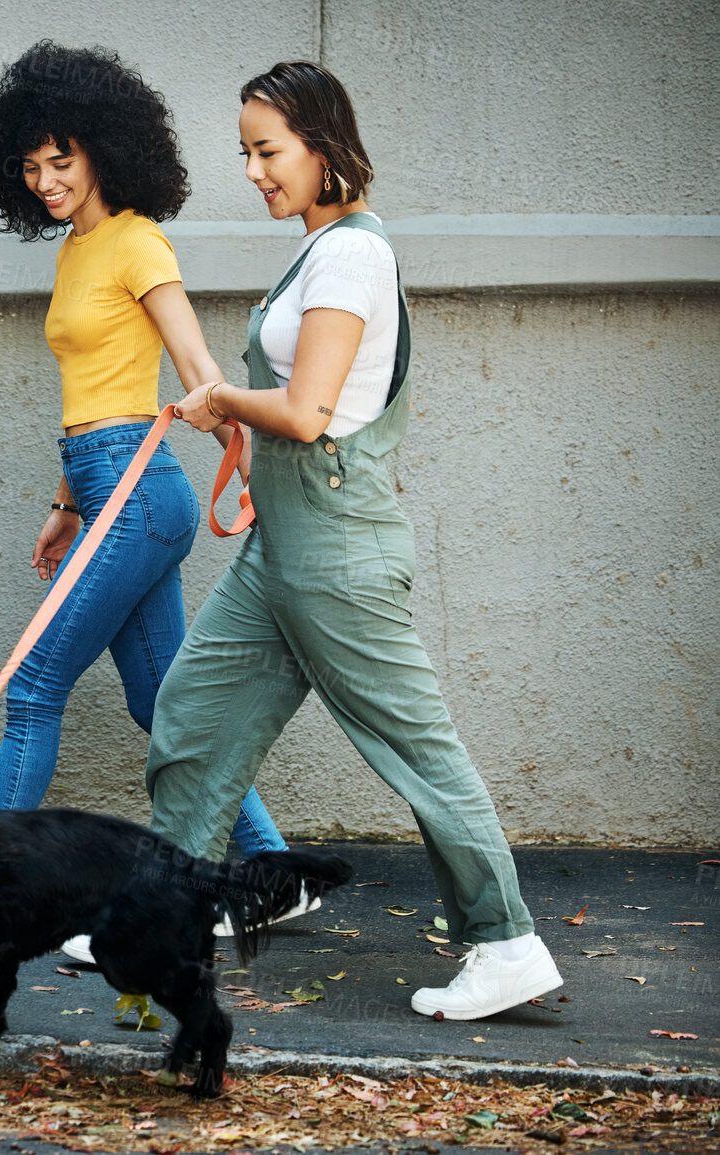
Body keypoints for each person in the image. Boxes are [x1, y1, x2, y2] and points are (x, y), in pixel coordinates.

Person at [157, 60, 562, 1019]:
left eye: (269, 151)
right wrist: (236, 431)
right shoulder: (317, 248)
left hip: (336, 543)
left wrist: (219, 399)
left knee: (416, 748)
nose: (254, 171)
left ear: (322, 145)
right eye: (246, 154)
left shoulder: (350, 255)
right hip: (282, 542)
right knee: (194, 712)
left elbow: (304, 410)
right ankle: (165, 911)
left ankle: (504, 943)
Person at [0, 42, 309, 963]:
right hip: (103, 484)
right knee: (162, 704)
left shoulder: (135, 239)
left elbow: (192, 361)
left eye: (60, 162)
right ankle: (271, 869)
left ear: (104, 150)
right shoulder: (76, 249)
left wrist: (228, 427)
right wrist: (64, 502)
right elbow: (91, 387)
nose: (44, 181)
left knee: (34, 687)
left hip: (141, 485)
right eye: (29, 168)